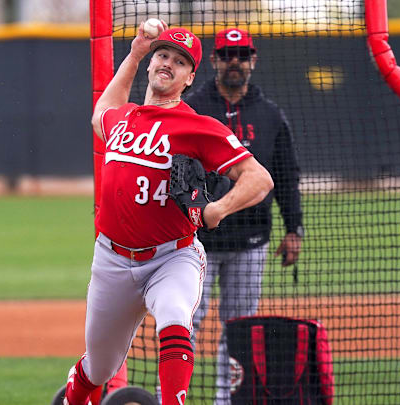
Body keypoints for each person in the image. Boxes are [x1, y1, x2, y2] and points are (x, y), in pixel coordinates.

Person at [61, 21, 274, 405]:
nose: (168, 63)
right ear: (151, 63)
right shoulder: (123, 118)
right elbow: (101, 113)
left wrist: (216, 211)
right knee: (100, 368)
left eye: (179, 61)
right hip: (111, 258)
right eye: (163, 55)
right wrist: (135, 52)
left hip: (172, 256)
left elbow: (259, 179)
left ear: (190, 76)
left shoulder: (197, 127)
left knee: (176, 316)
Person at [184, 27, 305, 404]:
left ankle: (227, 400)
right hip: (196, 240)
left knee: (238, 329)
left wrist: (294, 228)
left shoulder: (270, 115)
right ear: (215, 61)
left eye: (241, 54)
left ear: (253, 60)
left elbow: (286, 174)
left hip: (251, 241)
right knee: (184, 324)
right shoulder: (193, 107)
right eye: (226, 54)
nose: (234, 61)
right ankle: (168, 395)